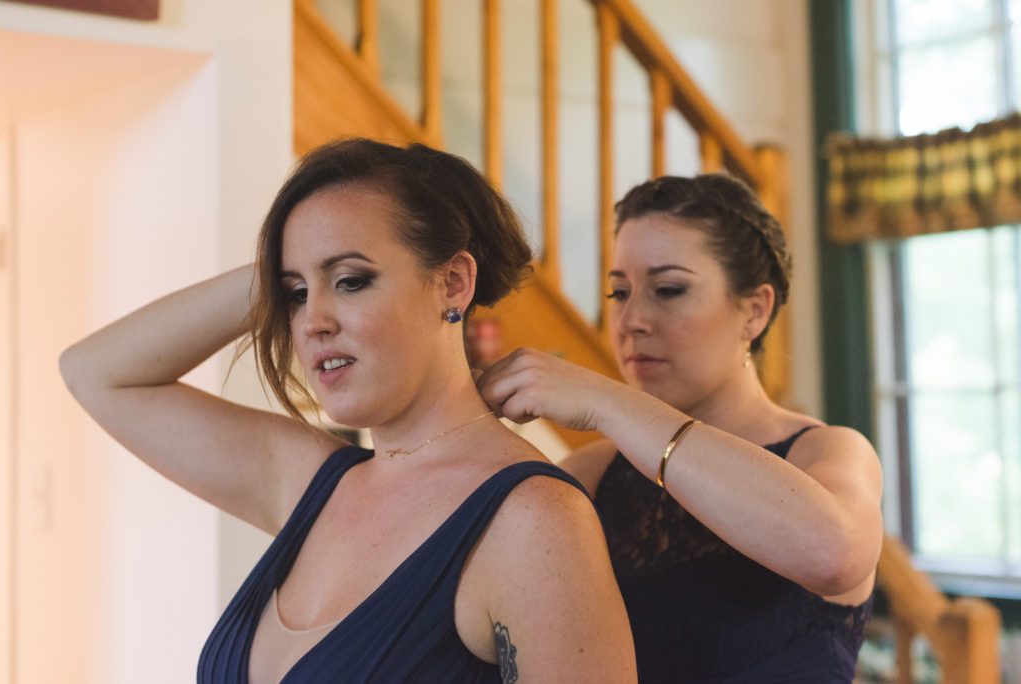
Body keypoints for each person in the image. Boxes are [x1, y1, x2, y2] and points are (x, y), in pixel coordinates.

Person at [59, 138, 637, 683]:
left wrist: (301, 268)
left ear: (453, 283)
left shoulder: (533, 520)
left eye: (352, 281)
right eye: (296, 294)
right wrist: (285, 269)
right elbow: (96, 372)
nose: (313, 321)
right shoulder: (313, 481)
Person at [477, 173, 883, 683]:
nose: (631, 320)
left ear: (755, 311)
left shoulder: (828, 451)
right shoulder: (594, 473)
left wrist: (607, 400)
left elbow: (832, 554)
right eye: (619, 292)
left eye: (668, 289)